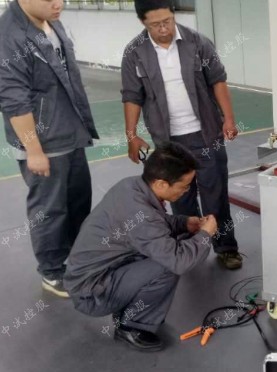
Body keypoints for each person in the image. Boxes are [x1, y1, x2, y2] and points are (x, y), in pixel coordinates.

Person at [121, 0, 242, 270]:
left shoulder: (197, 43)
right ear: (143, 22)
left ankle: (226, 248)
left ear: (173, 15)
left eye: (167, 21)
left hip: (205, 134)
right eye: (155, 25)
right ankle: (189, 249)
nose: (163, 29)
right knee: (180, 198)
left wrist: (228, 118)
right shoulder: (134, 53)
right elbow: (131, 96)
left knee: (215, 195)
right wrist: (131, 135)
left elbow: (218, 80)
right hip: (168, 142)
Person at [65, 143, 218, 352]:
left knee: (177, 241)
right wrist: (205, 234)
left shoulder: (132, 186)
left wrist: (184, 223)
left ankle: (128, 309)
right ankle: (132, 326)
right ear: (161, 184)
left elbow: (155, 222)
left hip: (97, 274)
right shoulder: (142, 215)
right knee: (168, 265)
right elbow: (179, 261)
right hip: (91, 294)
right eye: (185, 185)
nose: (187, 190)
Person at [0, 0, 99, 298]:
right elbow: (14, 99)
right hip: (43, 142)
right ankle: (53, 271)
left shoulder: (51, 20)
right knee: (50, 210)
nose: (59, 4)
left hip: (70, 131)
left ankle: (77, 259)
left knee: (79, 201)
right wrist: (33, 150)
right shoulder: (9, 36)